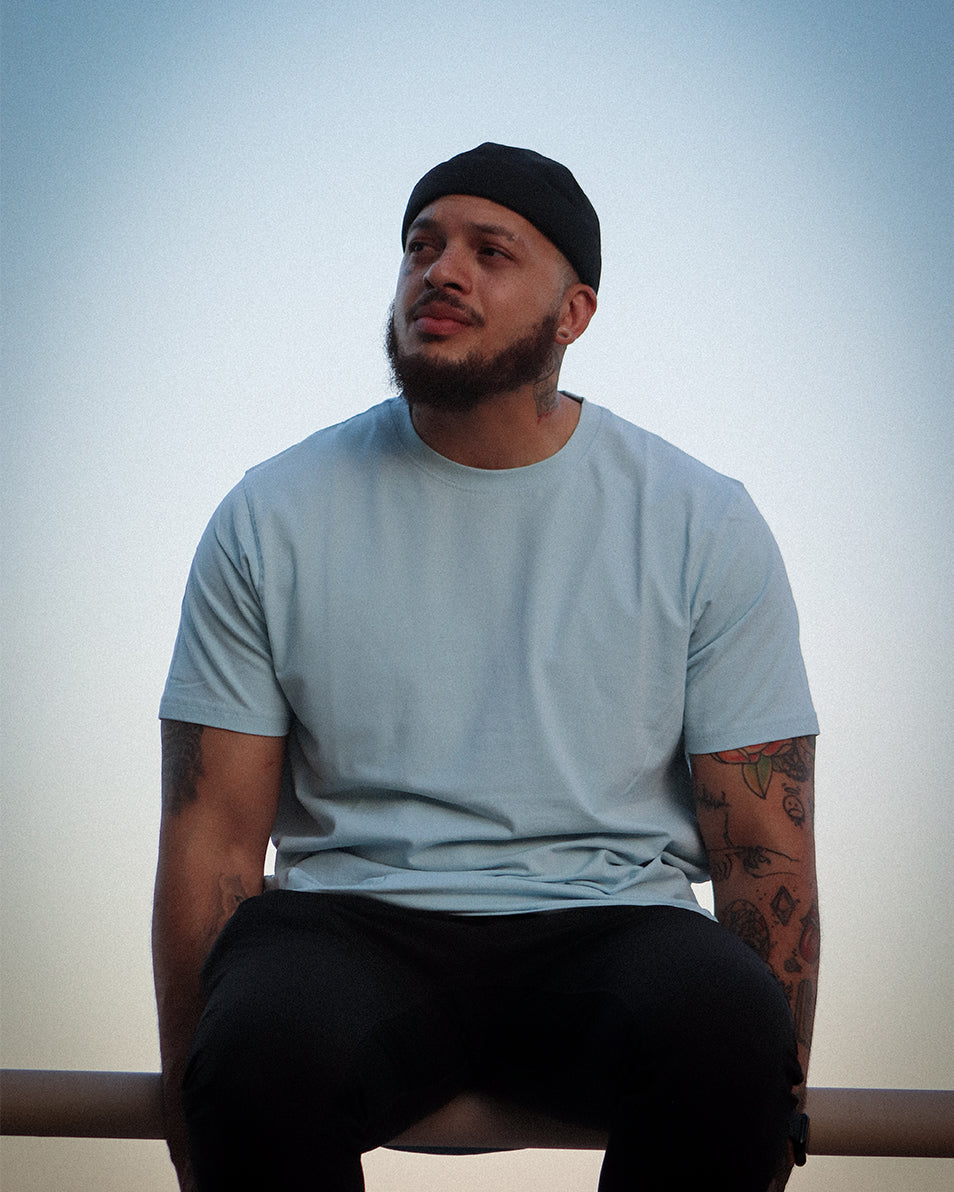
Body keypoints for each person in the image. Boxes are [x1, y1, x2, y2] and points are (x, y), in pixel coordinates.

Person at [153, 143, 820, 1192]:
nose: (441, 270)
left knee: (730, 1031)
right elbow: (213, 835)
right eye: (422, 244)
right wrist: (193, 1109)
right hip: (350, 925)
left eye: (490, 250)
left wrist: (772, 1104)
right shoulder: (272, 513)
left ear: (576, 313)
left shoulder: (700, 520)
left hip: (617, 924)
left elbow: (764, 856)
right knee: (253, 1054)